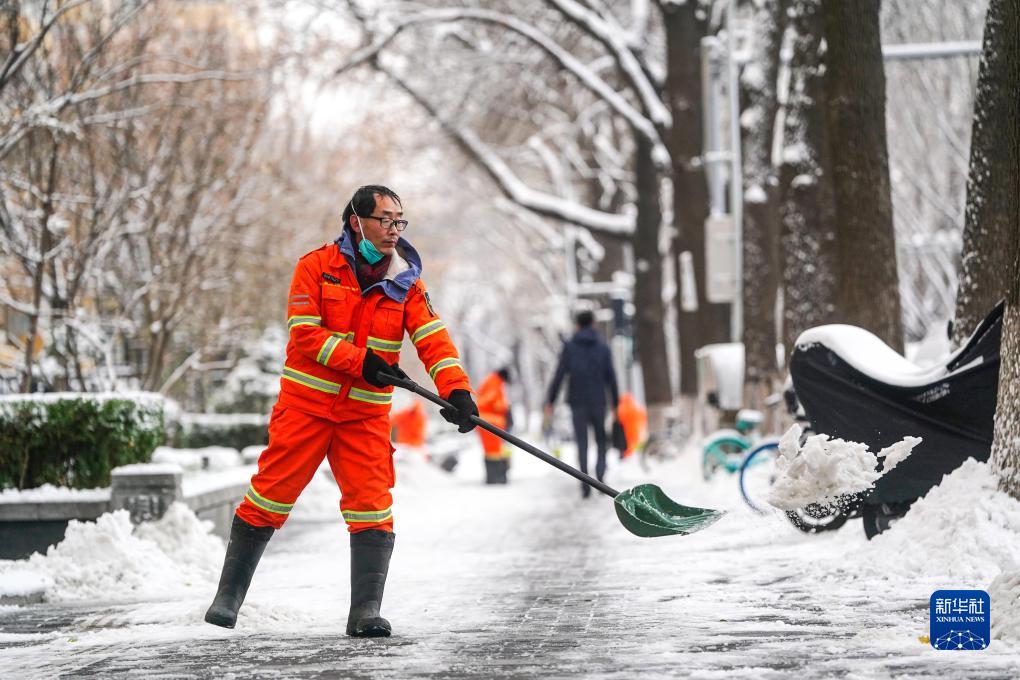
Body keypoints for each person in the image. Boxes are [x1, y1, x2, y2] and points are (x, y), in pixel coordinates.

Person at [204, 185, 478, 637]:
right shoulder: (315, 268)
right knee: (270, 495)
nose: (394, 230)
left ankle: (365, 612)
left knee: (372, 506)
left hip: (364, 418)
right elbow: (305, 333)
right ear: (357, 221)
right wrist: (361, 361)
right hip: (306, 410)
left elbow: (432, 340)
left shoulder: (406, 280)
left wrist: (458, 392)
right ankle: (227, 598)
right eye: (385, 220)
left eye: (399, 221)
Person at [544, 310, 619, 498]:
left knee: (582, 442)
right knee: (601, 439)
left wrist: (550, 401)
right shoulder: (603, 347)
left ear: (577, 325)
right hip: (598, 401)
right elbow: (611, 377)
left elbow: (560, 375)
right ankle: (600, 478)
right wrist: (615, 403)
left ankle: (585, 483)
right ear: (593, 323)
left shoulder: (570, 347)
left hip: (577, 401)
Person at [476, 367, 512, 484]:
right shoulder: (494, 383)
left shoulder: (492, 381)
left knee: (493, 451)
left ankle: (494, 477)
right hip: (490, 423)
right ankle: (494, 478)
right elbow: (493, 402)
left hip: (489, 423)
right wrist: (506, 408)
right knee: (493, 451)